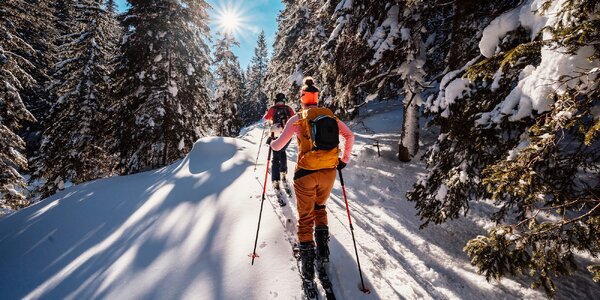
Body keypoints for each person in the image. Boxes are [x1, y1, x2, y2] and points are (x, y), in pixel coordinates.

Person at [270, 77, 354, 281]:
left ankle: (307, 266)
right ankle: (323, 250)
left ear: (302, 98)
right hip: (329, 172)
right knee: (320, 208)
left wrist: (272, 141)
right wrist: (343, 161)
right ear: (317, 98)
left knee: (306, 217)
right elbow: (350, 136)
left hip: (306, 174)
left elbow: (278, 146)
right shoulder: (330, 115)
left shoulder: (298, 118)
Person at [263, 93, 295, 192]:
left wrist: (268, 114)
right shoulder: (288, 108)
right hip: (286, 135)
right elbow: (294, 118)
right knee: (282, 152)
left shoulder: (273, 109)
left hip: (275, 135)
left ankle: (275, 180)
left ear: (275, 100)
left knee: (276, 157)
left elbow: (266, 118)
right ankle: (283, 172)